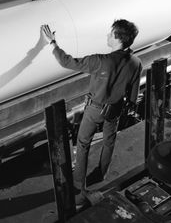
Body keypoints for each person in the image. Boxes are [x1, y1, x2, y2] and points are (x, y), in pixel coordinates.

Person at [41, 19, 142, 204]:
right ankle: (102, 173)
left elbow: (67, 62)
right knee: (109, 141)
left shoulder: (100, 61)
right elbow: (134, 96)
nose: (107, 35)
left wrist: (52, 43)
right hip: (115, 110)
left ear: (118, 38)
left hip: (94, 110)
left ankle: (79, 186)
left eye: (110, 34)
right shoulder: (136, 63)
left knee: (83, 143)